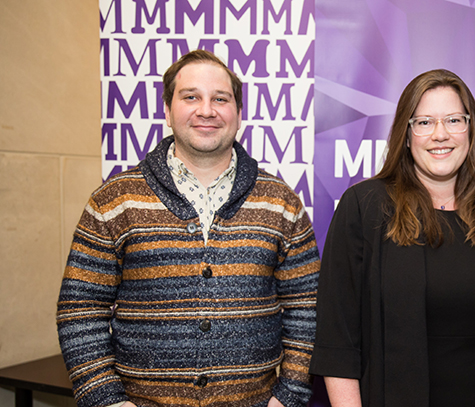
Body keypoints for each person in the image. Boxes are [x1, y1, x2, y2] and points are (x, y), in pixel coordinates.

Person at [56, 50, 319, 407]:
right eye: (191, 96)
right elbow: (80, 309)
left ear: (239, 114)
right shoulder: (113, 201)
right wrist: (107, 400)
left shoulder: (281, 203)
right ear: (167, 111)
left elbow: (308, 307)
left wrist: (288, 396)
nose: (206, 110)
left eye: (220, 99)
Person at [309, 69, 475, 407]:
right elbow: (338, 339)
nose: (440, 134)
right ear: (406, 135)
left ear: (471, 130)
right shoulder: (364, 208)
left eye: (454, 120)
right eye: (424, 122)